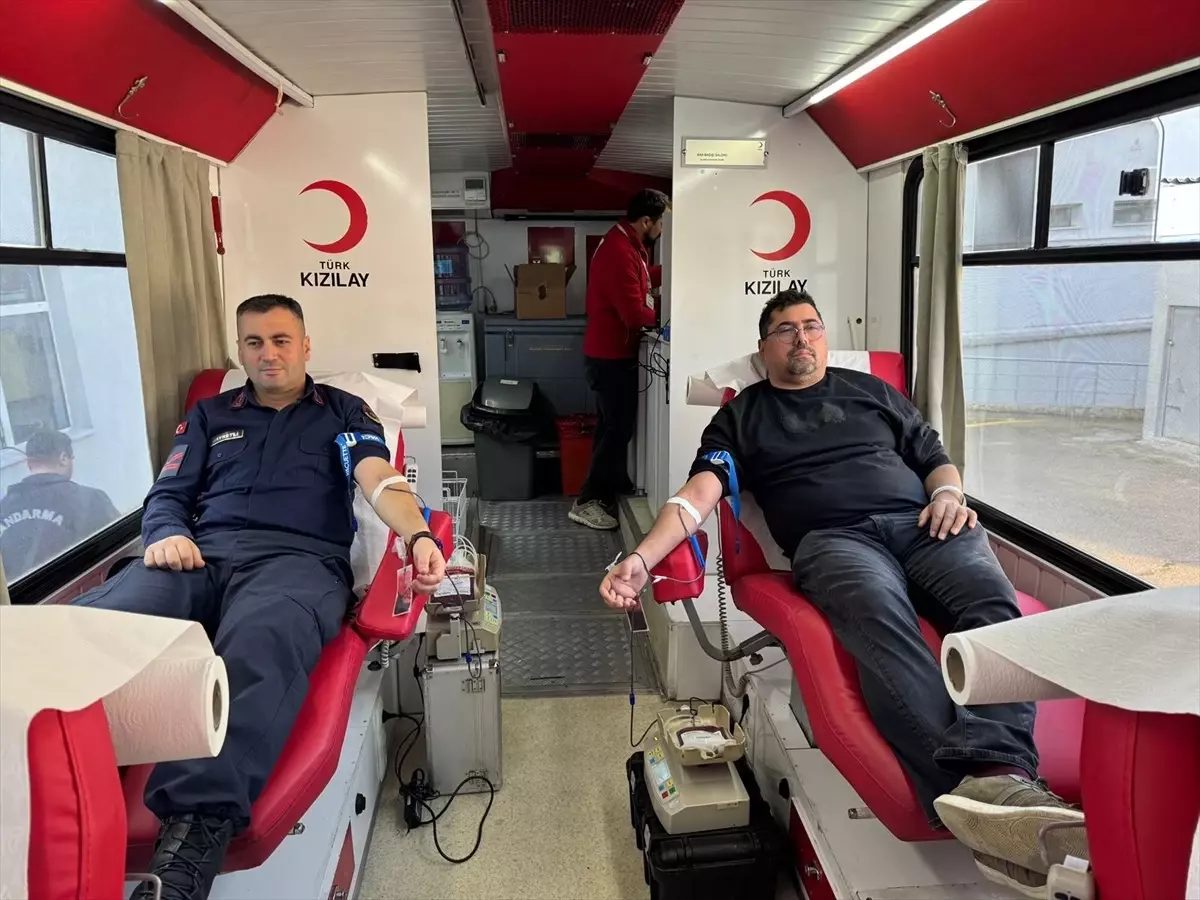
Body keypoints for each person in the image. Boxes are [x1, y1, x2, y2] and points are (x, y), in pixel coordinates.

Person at [600, 289, 1087, 895]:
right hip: (833, 540)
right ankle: (985, 790)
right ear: (763, 348)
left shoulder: (873, 392)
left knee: (994, 603)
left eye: (811, 326)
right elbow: (696, 495)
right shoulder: (742, 416)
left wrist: (948, 495)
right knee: (879, 613)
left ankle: (1003, 775)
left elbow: (934, 457)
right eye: (785, 330)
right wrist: (641, 559)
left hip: (923, 524)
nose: (801, 338)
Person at [72, 294, 446, 900]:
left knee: (259, 641)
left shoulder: (343, 412)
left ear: (305, 346)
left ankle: (188, 848)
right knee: (99, 624)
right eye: (254, 342)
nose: (268, 353)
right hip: (198, 555)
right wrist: (165, 534)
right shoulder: (210, 416)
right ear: (241, 351)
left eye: (280, 340)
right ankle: (40, 775)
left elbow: (379, 479)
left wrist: (418, 534)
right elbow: (167, 493)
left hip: (296, 562)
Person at [570, 187, 670, 531]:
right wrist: (664, 315)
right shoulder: (619, 251)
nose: (662, 231)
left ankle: (611, 481)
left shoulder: (627, 244)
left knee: (610, 427)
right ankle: (588, 501)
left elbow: (643, 279)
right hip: (609, 357)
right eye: (661, 224)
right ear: (647, 221)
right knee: (617, 429)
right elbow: (634, 314)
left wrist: (673, 272)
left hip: (610, 354)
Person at [0, 429, 119, 580]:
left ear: (29, 464)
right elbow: (117, 547)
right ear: (63, 458)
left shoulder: (4, 506)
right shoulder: (92, 499)